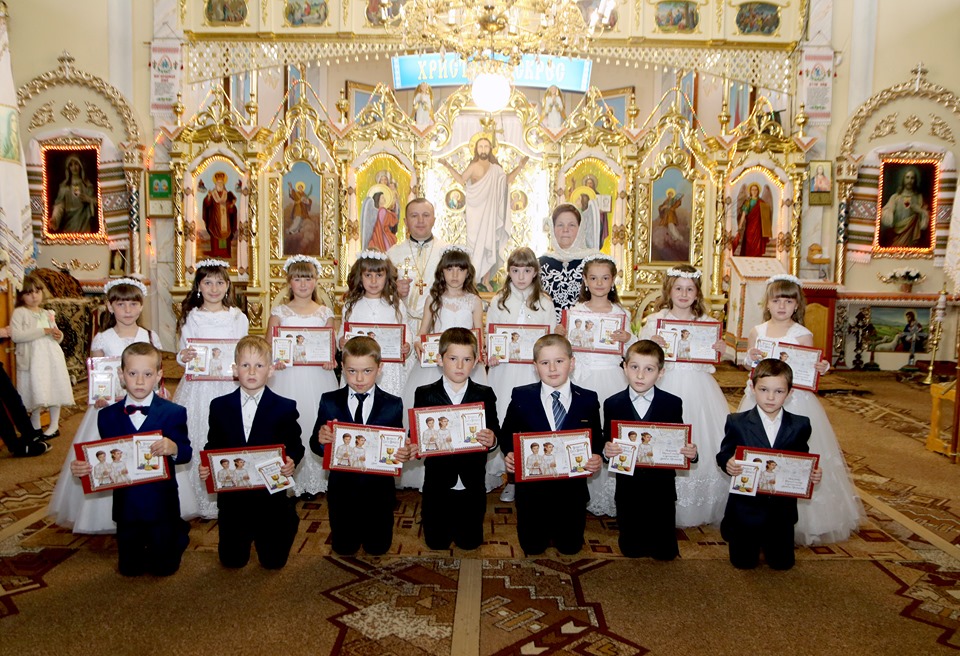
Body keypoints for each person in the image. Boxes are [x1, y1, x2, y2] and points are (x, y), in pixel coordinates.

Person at [740, 274, 865, 545]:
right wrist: (750, 359)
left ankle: (801, 518)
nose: (782, 306)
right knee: (758, 449)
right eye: (777, 300)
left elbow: (807, 369)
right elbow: (752, 366)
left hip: (794, 401)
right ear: (767, 303)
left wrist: (819, 368)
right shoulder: (757, 332)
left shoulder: (802, 334)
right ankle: (755, 511)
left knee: (793, 452)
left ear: (797, 305)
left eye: (788, 301)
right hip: (760, 399)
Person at [49, 278, 163, 534]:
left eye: (133, 304)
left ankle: (148, 504)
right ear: (110, 307)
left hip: (145, 401)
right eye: (121, 304)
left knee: (145, 452)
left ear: (141, 306)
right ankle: (105, 513)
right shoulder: (103, 338)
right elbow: (98, 373)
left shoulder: (149, 336)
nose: (127, 310)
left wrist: (159, 390)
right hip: (112, 406)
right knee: (112, 453)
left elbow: (157, 369)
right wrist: (99, 394)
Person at [71, 342, 191, 576]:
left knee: (164, 569)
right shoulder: (106, 416)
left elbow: (186, 453)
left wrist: (173, 447)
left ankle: (177, 534)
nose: (139, 381)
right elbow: (106, 457)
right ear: (121, 375)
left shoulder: (174, 412)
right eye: (132, 373)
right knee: (129, 569)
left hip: (161, 504)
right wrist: (85, 468)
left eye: (147, 374)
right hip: (127, 506)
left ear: (158, 376)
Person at [199, 336, 303, 570]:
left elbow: (295, 445)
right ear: (235, 370)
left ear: (271, 370)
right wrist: (207, 465)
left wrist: (291, 460)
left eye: (259, 365)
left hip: (270, 497)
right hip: (233, 499)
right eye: (245, 365)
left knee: (273, 563)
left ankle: (286, 520)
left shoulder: (285, 407)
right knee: (232, 562)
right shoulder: (219, 406)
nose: (252, 371)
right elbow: (213, 444)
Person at [639, 265, 729, 527]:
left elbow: (714, 357)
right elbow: (642, 353)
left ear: (697, 293)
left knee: (700, 438)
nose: (683, 294)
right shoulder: (656, 321)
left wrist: (719, 349)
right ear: (669, 290)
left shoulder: (707, 323)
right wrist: (652, 343)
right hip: (665, 385)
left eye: (690, 289)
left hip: (700, 389)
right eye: (678, 288)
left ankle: (699, 504)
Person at [502, 335, 603, 556]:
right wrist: (509, 452)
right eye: (545, 362)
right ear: (535, 366)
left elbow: (596, 438)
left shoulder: (588, 399)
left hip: (572, 493)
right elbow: (506, 433)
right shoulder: (521, 396)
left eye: (559, 361)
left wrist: (597, 456)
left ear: (572, 363)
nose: (552, 368)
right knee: (532, 548)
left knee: (570, 549)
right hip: (533, 493)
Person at [311, 336, 412, 555]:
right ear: (342, 367)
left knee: (378, 549)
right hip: (342, 490)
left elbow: (396, 444)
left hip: (379, 491)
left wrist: (403, 452)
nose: (359, 378)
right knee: (344, 549)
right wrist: (321, 439)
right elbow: (315, 444)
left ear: (379, 368)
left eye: (367, 371)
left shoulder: (393, 404)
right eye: (352, 371)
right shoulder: (329, 400)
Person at [718, 359, 822, 570]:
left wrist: (812, 473)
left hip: (781, 511)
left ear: (790, 393)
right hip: (746, 508)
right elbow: (724, 453)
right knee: (743, 564)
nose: (771, 397)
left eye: (779, 391)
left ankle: (775, 546)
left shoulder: (800, 425)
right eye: (764, 390)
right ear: (752, 388)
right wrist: (728, 462)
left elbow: (802, 459)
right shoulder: (737, 421)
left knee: (782, 565)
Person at [601, 340, 698, 560]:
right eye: (634, 367)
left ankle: (662, 544)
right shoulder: (612, 403)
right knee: (631, 549)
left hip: (661, 485)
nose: (640, 375)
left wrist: (691, 453)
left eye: (649, 369)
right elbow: (607, 440)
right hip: (628, 485)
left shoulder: (672, 403)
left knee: (664, 552)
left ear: (661, 373)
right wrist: (607, 451)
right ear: (624, 367)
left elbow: (678, 440)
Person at [174, 259, 249, 519]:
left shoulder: (237, 317)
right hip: (199, 387)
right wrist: (183, 356)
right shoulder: (192, 317)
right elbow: (182, 352)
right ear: (198, 286)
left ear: (228, 286)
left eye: (219, 282)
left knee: (230, 433)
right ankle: (198, 497)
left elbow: (242, 350)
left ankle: (232, 490)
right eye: (208, 283)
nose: (214, 288)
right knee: (198, 431)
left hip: (228, 384)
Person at [414, 328, 502, 551]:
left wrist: (492, 439)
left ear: (476, 361)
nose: (460, 366)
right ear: (440, 359)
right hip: (437, 482)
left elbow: (495, 432)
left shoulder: (484, 393)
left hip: (472, 482)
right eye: (453, 359)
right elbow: (416, 436)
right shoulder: (424, 394)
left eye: (467, 359)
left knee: (470, 544)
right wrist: (413, 444)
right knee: (436, 543)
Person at [486, 246, 557, 500]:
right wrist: (492, 353)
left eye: (527, 271)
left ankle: (530, 475)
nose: (521, 276)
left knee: (530, 420)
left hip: (532, 372)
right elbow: (491, 334)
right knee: (506, 419)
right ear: (509, 272)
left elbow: (550, 337)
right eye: (515, 271)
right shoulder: (499, 301)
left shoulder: (545, 302)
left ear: (535, 272)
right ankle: (511, 477)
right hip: (505, 371)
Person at [266, 254, 338, 498]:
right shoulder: (279, 312)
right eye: (298, 279)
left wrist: (330, 359)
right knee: (288, 423)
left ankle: (313, 480)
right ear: (289, 282)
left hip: (317, 375)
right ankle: (288, 477)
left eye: (308, 279)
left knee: (313, 418)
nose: (303, 284)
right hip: (287, 376)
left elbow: (330, 346)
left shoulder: (324, 313)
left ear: (316, 281)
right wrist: (275, 359)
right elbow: (269, 345)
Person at [439, 134, 530, 289]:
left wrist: (520, 166)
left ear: (490, 149)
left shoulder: (496, 169)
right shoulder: (473, 166)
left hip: (491, 213)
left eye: (486, 146)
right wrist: (448, 165)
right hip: (475, 211)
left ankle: (486, 280)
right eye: (480, 146)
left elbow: (507, 181)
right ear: (476, 149)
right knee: (474, 245)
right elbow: (461, 180)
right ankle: (472, 280)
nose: (483, 149)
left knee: (490, 243)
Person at [340, 250, 411, 399]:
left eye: (379, 275)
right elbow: (342, 332)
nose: (373, 281)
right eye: (368, 275)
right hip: (359, 367)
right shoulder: (351, 306)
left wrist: (407, 345)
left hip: (388, 367)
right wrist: (341, 341)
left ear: (387, 277)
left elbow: (406, 331)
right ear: (360, 276)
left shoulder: (396, 305)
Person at [10, 273, 72, 440]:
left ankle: (54, 425)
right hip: (32, 359)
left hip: (50, 357)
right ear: (21, 296)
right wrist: (43, 331)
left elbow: (56, 336)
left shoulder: (47, 313)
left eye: (37, 292)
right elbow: (16, 336)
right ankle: (35, 424)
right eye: (29, 293)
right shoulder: (20, 313)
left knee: (53, 387)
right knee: (35, 389)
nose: (34, 296)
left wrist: (58, 335)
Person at [387, 198, 448, 339]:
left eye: (426, 215)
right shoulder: (392, 254)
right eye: (414, 216)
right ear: (405, 221)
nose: (420, 221)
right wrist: (393, 290)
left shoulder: (447, 252)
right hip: (403, 325)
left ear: (434, 220)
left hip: (438, 325)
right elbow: (378, 293)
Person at [539, 204, 599, 322]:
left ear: (580, 228)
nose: (565, 230)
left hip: (586, 327)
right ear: (553, 228)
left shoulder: (594, 262)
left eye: (571, 225)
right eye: (560, 225)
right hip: (549, 329)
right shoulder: (540, 264)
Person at [880, 166, 930, 248]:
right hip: (897, 235)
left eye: (912, 178)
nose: (909, 181)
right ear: (903, 179)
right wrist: (890, 212)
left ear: (915, 180)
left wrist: (920, 211)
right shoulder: (895, 197)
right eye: (907, 177)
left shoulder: (919, 197)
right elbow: (885, 215)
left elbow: (927, 217)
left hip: (912, 236)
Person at [51, 154, 97, 233]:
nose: (74, 168)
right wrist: (54, 218)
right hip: (70, 221)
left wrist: (89, 199)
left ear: (80, 166)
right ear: (68, 168)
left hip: (84, 221)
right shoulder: (64, 187)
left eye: (76, 164)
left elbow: (98, 202)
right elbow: (59, 205)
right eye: (71, 165)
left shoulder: (87, 185)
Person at [202, 171, 238, 257]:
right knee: (215, 236)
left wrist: (231, 206)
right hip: (215, 220)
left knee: (225, 235)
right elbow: (207, 204)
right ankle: (216, 252)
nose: (220, 184)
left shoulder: (227, 194)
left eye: (221, 182)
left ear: (223, 183)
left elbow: (232, 209)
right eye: (218, 182)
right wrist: (209, 197)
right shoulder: (212, 194)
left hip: (225, 221)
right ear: (215, 183)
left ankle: (225, 253)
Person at [735, 183, 773, 257]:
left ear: (758, 191)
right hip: (750, 226)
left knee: (757, 243)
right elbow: (744, 214)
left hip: (758, 227)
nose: (754, 191)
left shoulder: (762, 202)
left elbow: (766, 217)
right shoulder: (748, 202)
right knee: (749, 242)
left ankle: (757, 257)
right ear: (750, 191)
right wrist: (740, 225)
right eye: (753, 190)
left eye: (756, 190)